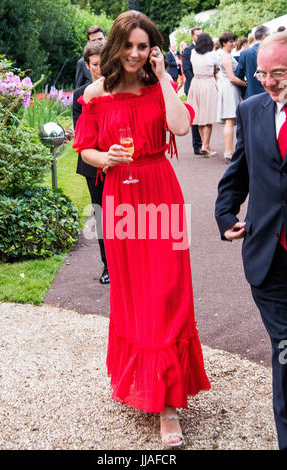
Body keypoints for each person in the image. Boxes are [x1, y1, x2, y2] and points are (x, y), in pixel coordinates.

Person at [73, 10, 210, 447]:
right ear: (116, 46)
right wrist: (106, 158)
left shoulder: (160, 87)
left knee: (168, 290)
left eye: (143, 45)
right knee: (133, 291)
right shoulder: (97, 94)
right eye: (128, 45)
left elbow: (181, 126)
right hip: (119, 198)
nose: (135, 53)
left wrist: (165, 75)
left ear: (153, 48)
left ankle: (168, 404)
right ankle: (143, 384)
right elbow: (85, 148)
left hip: (160, 191)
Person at [215, 31, 287, 450]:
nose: (268, 82)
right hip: (269, 256)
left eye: (278, 73)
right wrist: (225, 214)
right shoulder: (249, 109)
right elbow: (239, 171)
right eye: (262, 73)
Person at [72, 40, 109, 284]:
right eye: (96, 65)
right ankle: (108, 265)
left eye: (105, 62)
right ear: (87, 65)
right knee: (102, 215)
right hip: (92, 164)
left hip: (120, 162)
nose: (101, 68)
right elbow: (79, 133)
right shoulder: (80, 95)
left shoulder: (119, 89)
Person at [187, 33, 219, 156]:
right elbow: (218, 66)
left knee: (199, 117)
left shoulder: (193, 54)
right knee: (208, 117)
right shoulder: (212, 55)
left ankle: (205, 145)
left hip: (196, 83)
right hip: (208, 83)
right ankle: (205, 145)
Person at [217, 33, 247, 162]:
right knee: (229, 120)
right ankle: (228, 151)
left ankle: (229, 150)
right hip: (229, 88)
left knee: (231, 120)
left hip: (228, 87)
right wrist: (246, 83)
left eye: (233, 41)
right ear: (224, 43)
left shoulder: (226, 55)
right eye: (230, 41)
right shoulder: (225, 57)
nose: (233, 43)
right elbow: (232, 78)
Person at [182, 26, 204, 155]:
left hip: (204, 87)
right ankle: (197, 145)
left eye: (201, 35)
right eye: (197, 35)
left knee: (204, 114)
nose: (199, 37)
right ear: (192, 37)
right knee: (195, 116)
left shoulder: (205, 50)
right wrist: (196, 83)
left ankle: (204, 142)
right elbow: (186, 70)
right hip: (192, 87)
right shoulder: (188, 51)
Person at [235, 25, 270, 99]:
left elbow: (238, 76)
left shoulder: (245, 53)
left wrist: (246, 90)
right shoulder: (271, 51)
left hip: (251, 95)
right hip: (270, 94)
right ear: (264, 36)